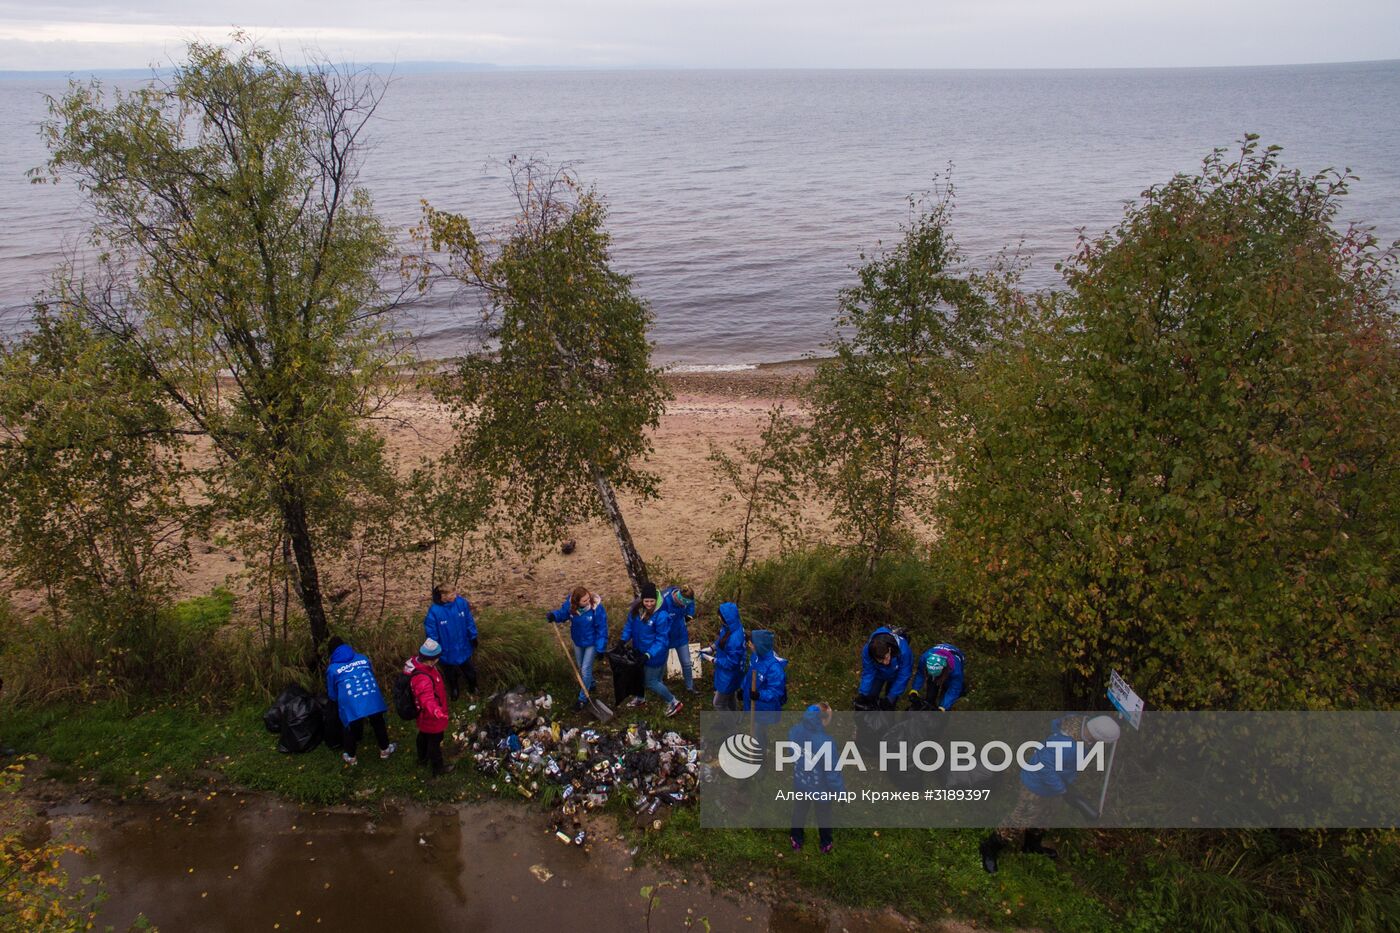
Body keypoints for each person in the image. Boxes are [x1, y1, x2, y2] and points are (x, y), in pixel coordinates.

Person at [979, 714, 1120, 873]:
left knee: (1045, 816)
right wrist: (1062, 790)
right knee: (1020, 820)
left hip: (1057, 784)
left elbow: (1057, 724)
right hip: (1036, 784)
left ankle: (1031, 845)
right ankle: (990, 847)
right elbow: (1044, 767)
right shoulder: (1065, 744)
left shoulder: (1081, 725)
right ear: (1097, 737)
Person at [326, 636, 395, 766]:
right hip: (371, 694)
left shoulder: (333, 669)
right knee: (377, 720)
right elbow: (371, 673)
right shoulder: (362, 658)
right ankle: (385, 749)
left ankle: (351, 757)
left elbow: (332, 693)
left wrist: (335, 701)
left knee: (350, 725)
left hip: (350, 699)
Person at [621, 581, 683, 717]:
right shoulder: (637, 610)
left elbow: (661, 640)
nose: (649, 604)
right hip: (640, 650)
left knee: (651, 681)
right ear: (642, 599)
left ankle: (673, 702)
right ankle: (640, 698)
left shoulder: (661, 615)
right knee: (639, 674)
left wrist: (648, 655)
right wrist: (623, 640)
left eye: (652, 601)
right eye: (646, 601)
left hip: (655, 655)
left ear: (656, 599)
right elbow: (629, 626)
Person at [788, 702, 842, 854]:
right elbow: (832, 772)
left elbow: (792, 753)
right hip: (821, 788)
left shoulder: (794, 731)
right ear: (822, 720)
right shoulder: (826, 742)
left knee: (799, 811)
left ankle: (796, 839)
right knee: (823, 815)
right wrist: (840, 793)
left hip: (801, 781)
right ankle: (825, 843)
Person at [547, 585, 609, 711]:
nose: (588, 601)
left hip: (591, 643)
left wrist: (601, 648)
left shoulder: (596, 608)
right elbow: (562, 614)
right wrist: (554, 615)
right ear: (577, 602)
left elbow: (602, 629)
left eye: (588, 598)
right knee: (581, 667)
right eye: (584, 601)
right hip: (578, 641)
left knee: (585, 670)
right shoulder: (571, 606)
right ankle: (591, 684)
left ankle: (582, 699)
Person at [403, 638, 453, 776]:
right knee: (434, 741)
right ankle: (438, 768)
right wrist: (437, 712)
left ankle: (422, 759)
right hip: (431, 716)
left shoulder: (422, 665)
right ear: (432, 659)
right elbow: (427, 700)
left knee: (423, 736)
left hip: (424, 715)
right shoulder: (423, 678)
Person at [422, 584, 479, 701]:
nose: (455, 595)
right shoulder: (434, 611)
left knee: (470, 671)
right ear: (443, 596)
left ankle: (473, 687)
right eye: (452, 594)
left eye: (455, 593)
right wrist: (434, 649)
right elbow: (432, 633)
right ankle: (454, 689)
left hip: (463, 646)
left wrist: (473, 636)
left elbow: (469, 620)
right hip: (446, 650)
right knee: (450, 674)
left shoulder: (461, 603)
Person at [742, 629, 788, 747]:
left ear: (759, 645)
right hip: (754, 704)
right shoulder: (755, 657)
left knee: (759, 731)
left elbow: (776, 691)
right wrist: (743, 690)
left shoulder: (774, 668)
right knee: (755, 729)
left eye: (751, 643)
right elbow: (749, 677)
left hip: (764, 707)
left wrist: (760, 695)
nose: (749, 644)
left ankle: (761, 756)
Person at [856, 627, 913, 709]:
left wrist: (891, 697)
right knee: (869, 697)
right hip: (878, 673)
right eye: (880, 660)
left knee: (889, 704)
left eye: (887, 657)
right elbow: (868, 672)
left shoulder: (904, 651)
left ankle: (889, 719)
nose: (885, 662)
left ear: (889, 649)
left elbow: (904, 675)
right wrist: (863, 693)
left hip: (896, 676)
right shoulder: (867, 651)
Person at [709, 601, 746, 711]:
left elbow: (731, 663)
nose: (718, 617)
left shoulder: (735, 638)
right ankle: (735, 718)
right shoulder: (731, 626)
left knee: (718, 703)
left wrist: (713, 660)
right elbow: (722, 639)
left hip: (729, 674)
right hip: (726, 672)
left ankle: (731, 726)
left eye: (720, 616)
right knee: (730, 696)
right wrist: (712, 647)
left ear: (725, 617)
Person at [660, 584, 697, 694]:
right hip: (665, 637)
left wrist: (689, 615)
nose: (684, 606)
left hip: (681, 635)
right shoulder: (664, 601)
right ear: (679, 597)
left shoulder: (687, 599)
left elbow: (691, 604)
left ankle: (690, 687)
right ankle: (659, 686)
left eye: (687, 603)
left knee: (686, 662)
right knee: (661, 663)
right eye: (684, 603)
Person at [909, 642, 966, 711]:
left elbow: (954, 690)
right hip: (937, 668)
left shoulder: (956, 671)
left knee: (945, 703)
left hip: (949, 672)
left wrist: (943, 707)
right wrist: (914, 690)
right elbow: (920, 674)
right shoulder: (925, 658)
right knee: (930, 697)